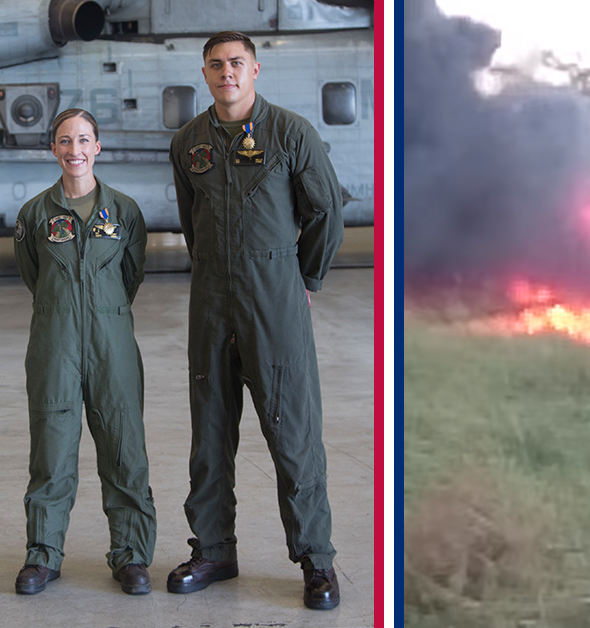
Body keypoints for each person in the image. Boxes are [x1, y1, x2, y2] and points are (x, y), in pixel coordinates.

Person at [167, 31, 346, 610]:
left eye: (236, 63)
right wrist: (215, 273)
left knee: (291, 429)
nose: (227, 73)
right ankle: (215, 548)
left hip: (274, 298)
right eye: (216, 65)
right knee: (211, 429)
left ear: (255, 69)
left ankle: (316, 560)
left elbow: (325, 210)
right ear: (205, 72)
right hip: (212, 300)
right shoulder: (190, 141)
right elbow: (191, 219)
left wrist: (305, 280)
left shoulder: (290, 133)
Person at [12, 108, 157, 596]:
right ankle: (43, 554)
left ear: (98, 147)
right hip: (54, 342)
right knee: (51, 450)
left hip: (112, 343)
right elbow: (34, 276)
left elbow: (130, 276)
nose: (75, 149)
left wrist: (101, 311)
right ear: (53, 149)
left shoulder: (125, 212)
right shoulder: (35, 215)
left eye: (84, 140)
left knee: (123, 447)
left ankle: (132, 555)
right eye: (64, 140)